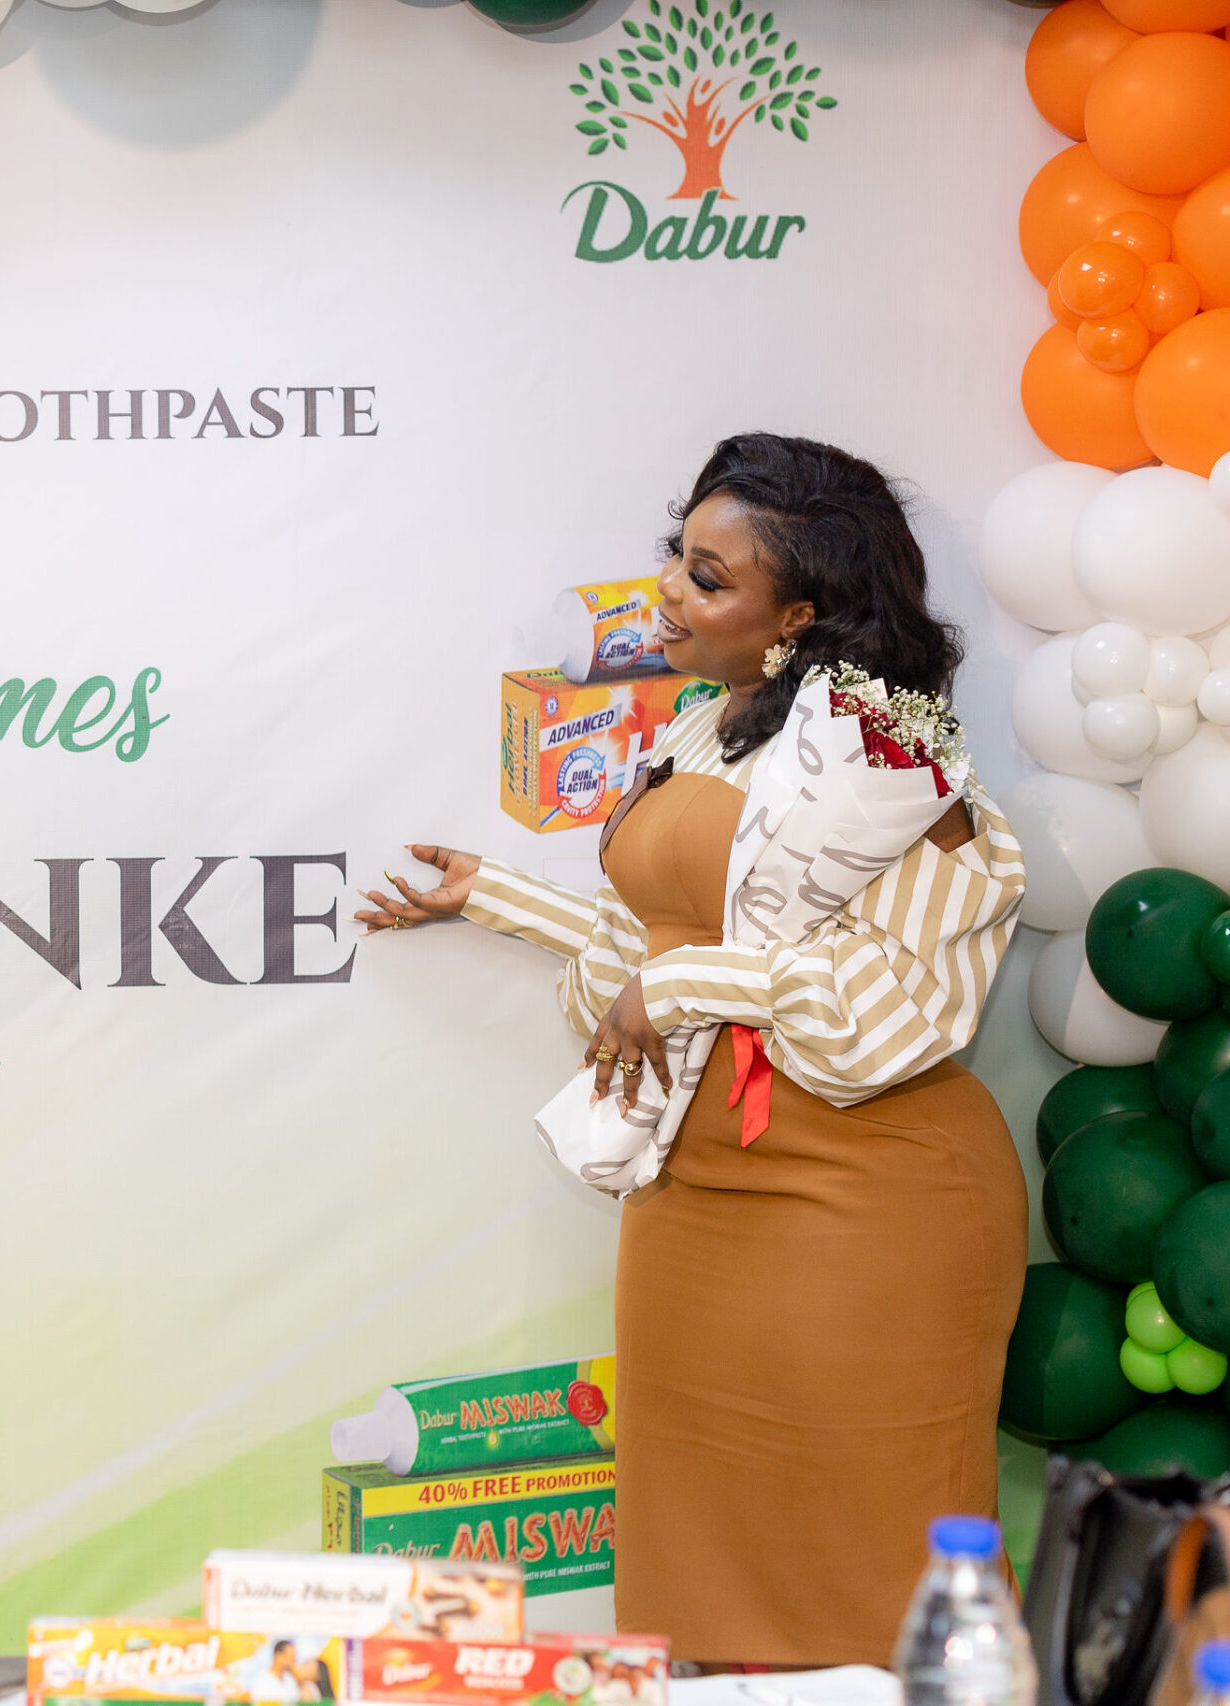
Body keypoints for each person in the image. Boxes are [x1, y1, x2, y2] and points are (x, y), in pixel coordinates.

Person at [358, 434, 1029, 1668]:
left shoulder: (896, 765)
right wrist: (497, 897)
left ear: (800, 616)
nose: (667, 588)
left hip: (866, 1204)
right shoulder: (704, 732)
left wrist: (674, 987)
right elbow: (659, 939)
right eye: (677, 553)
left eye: (708, 577)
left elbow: (895, 1007)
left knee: (867, 1558)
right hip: (689, 1193)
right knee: (694, 1560)